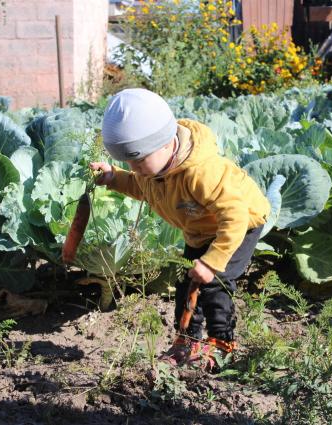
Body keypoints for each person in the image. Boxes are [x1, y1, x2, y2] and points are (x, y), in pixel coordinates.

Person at [90, 88, 270, 371]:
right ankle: (186, 341)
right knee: (187, 285)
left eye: (137, 161)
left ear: (164, 144)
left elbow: (234, 216)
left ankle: (222, 346)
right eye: (128, 163)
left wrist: (212, 262)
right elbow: (140, 186)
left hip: (240, 224)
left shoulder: (201, 172)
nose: (134, 168)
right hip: (200, 228)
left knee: (214, 284)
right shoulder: (153, 168)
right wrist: (114, 177)